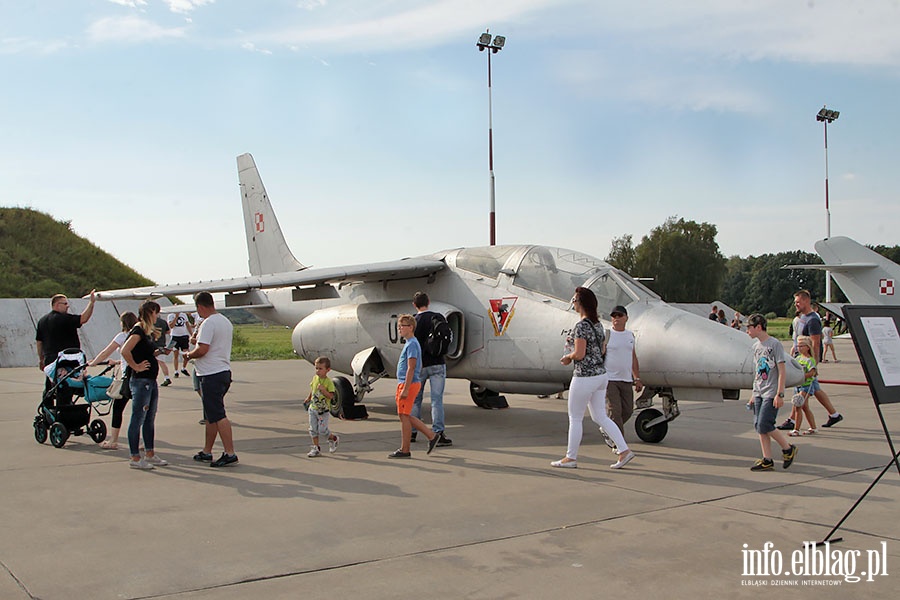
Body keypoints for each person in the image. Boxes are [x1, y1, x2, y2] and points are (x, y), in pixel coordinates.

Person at [551, 287, 635, 470]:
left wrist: (568, 357)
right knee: (601, 417)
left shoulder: (581, 326)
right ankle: (624, 450)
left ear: (581, 303)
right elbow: (602, 349)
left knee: (575, 418)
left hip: (584, 376)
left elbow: (580, 354)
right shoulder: (598, 325)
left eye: (574, 300)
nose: (573, 303)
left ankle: (570, 457)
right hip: (601, 376)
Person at [184, 292, 238, 467]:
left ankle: (230, 453)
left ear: (200, 306)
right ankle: (207, 451)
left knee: (219, 415)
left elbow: (202, 350)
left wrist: (188, 355)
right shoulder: (225, 321)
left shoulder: (208, 323)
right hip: (222, 371)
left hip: (211, 374)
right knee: (211, 416)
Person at [779, 290, 843, 429]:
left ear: (806, 301)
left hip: (807, 361)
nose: (795, 304)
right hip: (800, 358)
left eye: (798, 302)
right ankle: (834, 415)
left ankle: (792, 420)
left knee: (801, 391)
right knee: (815, 390)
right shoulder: (803, 317)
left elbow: (815, 343)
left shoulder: (813, 320)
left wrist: (813, 364)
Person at [745, 313, 798, 471]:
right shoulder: (756, 347)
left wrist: (780, 394)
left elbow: (782, 370)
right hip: (759, 392)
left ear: (759, 327)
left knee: (765, 424)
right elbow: (757, 373)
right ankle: (767, 459)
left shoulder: (774, 344)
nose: (747, 331)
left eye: (749, 327)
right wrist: (753, 394)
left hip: (771, 392)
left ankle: (788, 448)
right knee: (758, 426)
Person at [120, 301, 170, 470]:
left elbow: (147, 352)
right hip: (141, 381)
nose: (158, 316)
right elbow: (125, 350)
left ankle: (150, 453)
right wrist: (136, 366)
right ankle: (135, 457)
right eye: (156, 312)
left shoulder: (147, 332)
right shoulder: (138, 330)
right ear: (150, 312)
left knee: (149, 418)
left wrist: (161, 351)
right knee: (138, 418)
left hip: (150, 380)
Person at [388, 314, 439, 458]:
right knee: (404, 415)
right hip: (406, 383)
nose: (399, 330)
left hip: (407, 383)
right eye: (398, 327)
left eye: (401, 327)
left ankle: (406, 449)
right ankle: (431, 436)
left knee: (404, 416)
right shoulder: (411, 343)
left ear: (410, 327)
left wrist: (406, 388)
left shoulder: (412, 344)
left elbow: (412, 367)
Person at [35, 291, 96, 406]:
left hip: (50, 359)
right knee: (65, 386)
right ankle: (64, 410)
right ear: (57, 305)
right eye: (65, 303)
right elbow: (83, 318)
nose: (67, 306)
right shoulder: (63, 319)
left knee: (50, 387)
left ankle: (48, 413)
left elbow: (39, 342)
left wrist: (41, 358)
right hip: (65, 360)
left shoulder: (42, 321)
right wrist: (91, 303)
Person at [88, 311, 139, 450]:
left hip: (127, 376)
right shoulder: (140, 335)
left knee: (118, 408)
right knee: (140, 410)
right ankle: (143, 441)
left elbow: (106, 351)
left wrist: (94, 362)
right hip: (141, 375)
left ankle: (114, 440)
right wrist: (118, 361)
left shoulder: (122, 336)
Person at [410, 291, 451, 447]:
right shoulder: (438, 317)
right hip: (437, 364)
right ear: (429, 302)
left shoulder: (414, 321)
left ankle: (413, 431)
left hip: (420, 365)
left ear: (414, 305)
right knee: (436, 400)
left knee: (416, 400)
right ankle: (438, 433)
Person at [604, 305, 642, 438]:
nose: (616, 319)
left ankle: (607, 427)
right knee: (615, 410)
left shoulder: (630, 335)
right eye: (614, 316)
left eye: (620, 316)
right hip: (610, 379)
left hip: (626, 379)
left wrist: (637, 378)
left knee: (627, 411)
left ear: (626, 318)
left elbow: (633, 357)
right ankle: (618, 443)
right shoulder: (607, 335)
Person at [305, 357, 339, 457]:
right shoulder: (315, 378)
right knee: (313, 430)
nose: (317, 371)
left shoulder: (329, 382)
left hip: (323, 411)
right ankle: (316, 448)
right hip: (313, 408)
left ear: (328, 370)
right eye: (316, 368)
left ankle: (333, 438)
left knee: (322, 430)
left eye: (320, 369)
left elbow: (331, 396)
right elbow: (313, 389)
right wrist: (308, 398)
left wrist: (324, 391)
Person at [787, 336, 819, 437]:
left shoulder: (810, 360)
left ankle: (796, 429)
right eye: (798, 346)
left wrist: (801, 376)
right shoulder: (797, 358)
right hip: (797, 386)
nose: (799, 348)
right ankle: (813, 427)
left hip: (806, 386)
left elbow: (812, 372)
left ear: (808, 347)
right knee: (805, 407)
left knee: (798, 405)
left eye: (802, 346)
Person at [167, 311, 193, 377]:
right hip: (174, 336)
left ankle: (183, 368)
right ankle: (176, 371)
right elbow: (171, 326)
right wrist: (176, 317)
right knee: (176, 354)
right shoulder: (170, 315)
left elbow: (187, 325)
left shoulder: (184, 315)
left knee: (186, 354)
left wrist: (192, 334)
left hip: (184, 336)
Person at [153, 315, 173, 387]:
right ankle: (167, 377)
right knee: (162, 362)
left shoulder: (150, 322)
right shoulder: (163, 322)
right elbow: (168, 331)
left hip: (152, 345)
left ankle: (153, 378)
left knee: (152, 363)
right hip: (161, 344)